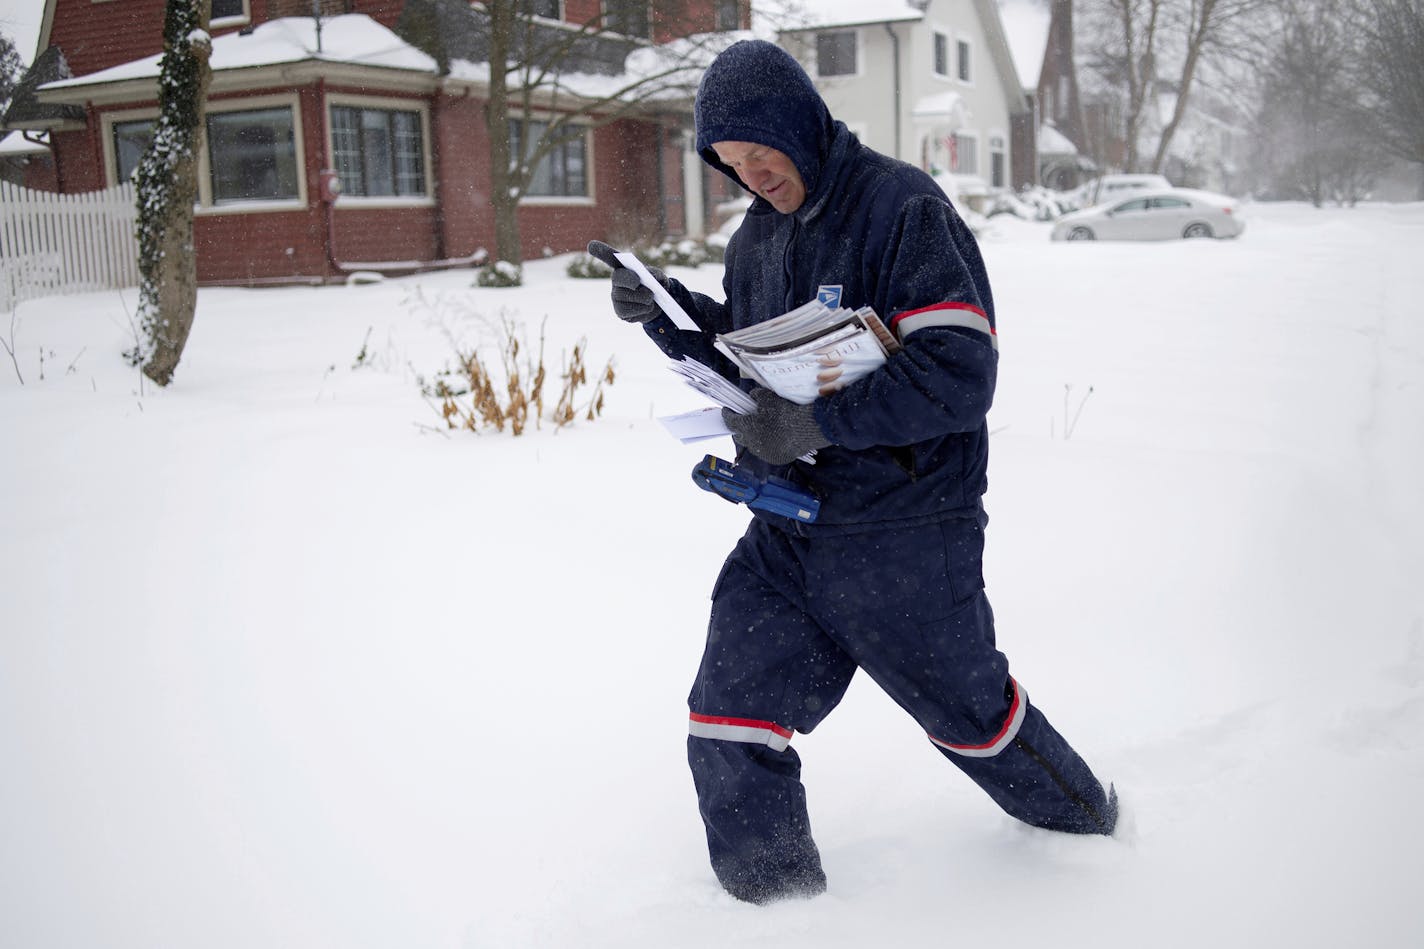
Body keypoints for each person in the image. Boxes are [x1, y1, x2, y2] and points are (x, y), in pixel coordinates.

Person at [586, 39, 1117, 905]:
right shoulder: (755, 238)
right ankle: (779, 907)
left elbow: (957, 372)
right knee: (729, 717)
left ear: (801, 126)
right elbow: (759, 358)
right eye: (731, 165)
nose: (753, 178)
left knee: (972, 721)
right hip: (788, 524)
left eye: (764, 155)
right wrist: (669, 316)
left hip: (905, 530)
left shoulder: (901, 208)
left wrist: (818, 420)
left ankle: (1093, 836)